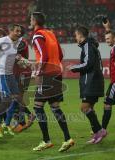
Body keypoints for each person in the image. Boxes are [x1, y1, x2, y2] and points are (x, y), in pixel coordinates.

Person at [30, 12, 74, 152]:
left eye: (31, 19)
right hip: (56, 73)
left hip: (47, 75)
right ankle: (67, 138)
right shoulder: (50, 33)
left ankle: (46, 140)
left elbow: (44, 55)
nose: (29, 21)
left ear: (35, 21)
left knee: (38, 107)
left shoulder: (37, 35)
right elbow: (60, 54)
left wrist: (38, 72)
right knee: (55, 106)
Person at [68, 25, 106, 144]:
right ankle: (96, 134)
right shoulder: (90, 45)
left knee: (84, 108)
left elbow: (88, 63)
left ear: (80, 35)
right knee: (90, 108)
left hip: (91, 82)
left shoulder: (87, 45)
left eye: (76, 35)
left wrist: (73, 67)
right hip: (94, 81)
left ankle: (100, 130)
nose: (75, 38)